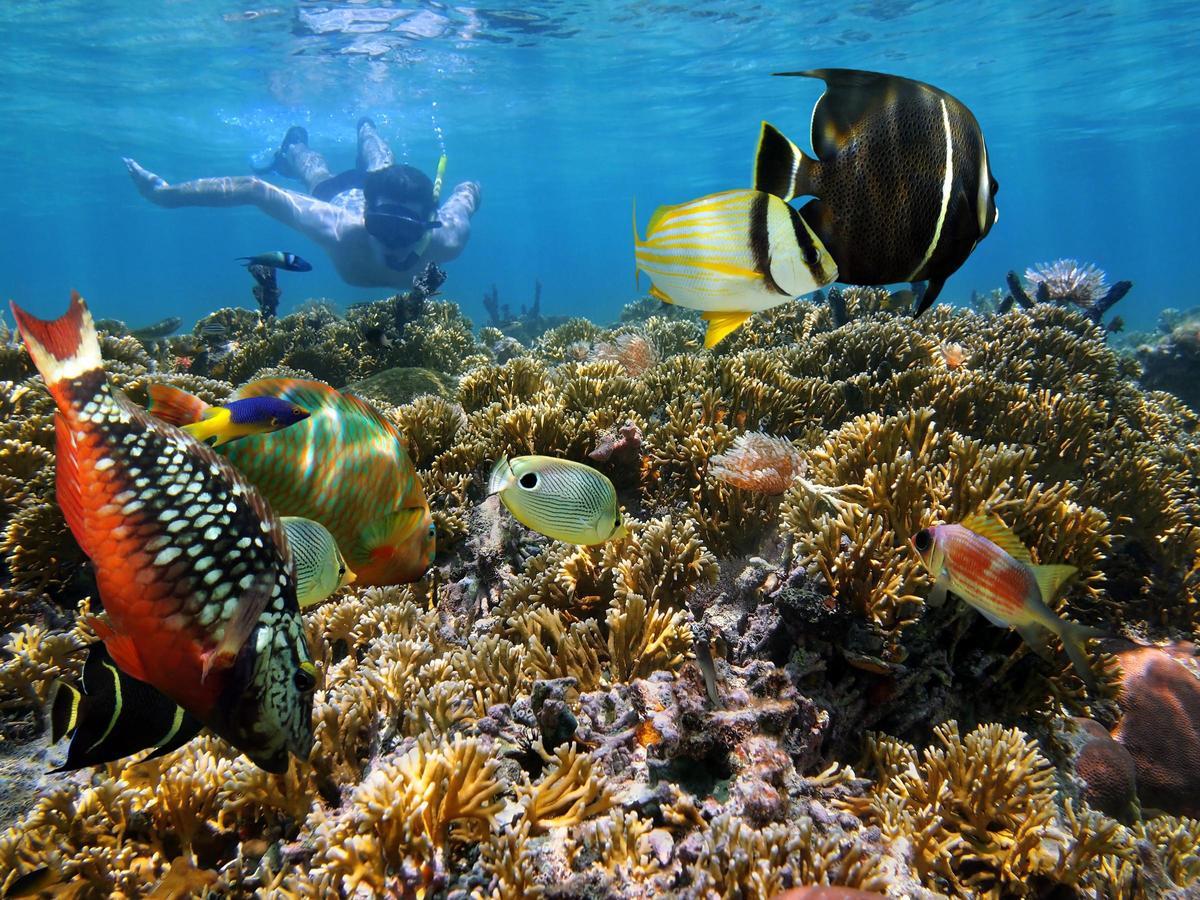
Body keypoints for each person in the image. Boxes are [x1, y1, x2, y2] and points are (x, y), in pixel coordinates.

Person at [124, 118, 480, 288]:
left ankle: (366, 129)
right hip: (342, 197)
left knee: (382, 166)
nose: (393, 242)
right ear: (367, 216)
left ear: (428, 224)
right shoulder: (339, 229)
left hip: (381, 195)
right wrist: (166, 196)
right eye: (383, 226)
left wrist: (471, 190)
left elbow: (467, 191)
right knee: (320, 176)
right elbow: (254, 188)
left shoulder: (447, 240)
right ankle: (298, 146)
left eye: (406, 230)